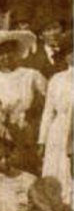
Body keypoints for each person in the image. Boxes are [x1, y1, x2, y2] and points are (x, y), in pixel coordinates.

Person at [0, 30, 46, 170]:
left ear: (16, 52)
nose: (6, 56)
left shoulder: (31, 75)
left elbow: (47, 102)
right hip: (0, 129)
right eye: (0, 53)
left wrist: (31, 116)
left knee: (27, 165)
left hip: (27, 127)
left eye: (9, 51)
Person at [38, 40, 73, 201]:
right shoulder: (57, 79)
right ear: (66, 57)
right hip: (58, 130)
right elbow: (48, 111)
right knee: (58, 168)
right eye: (71, 52)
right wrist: (42, 140)